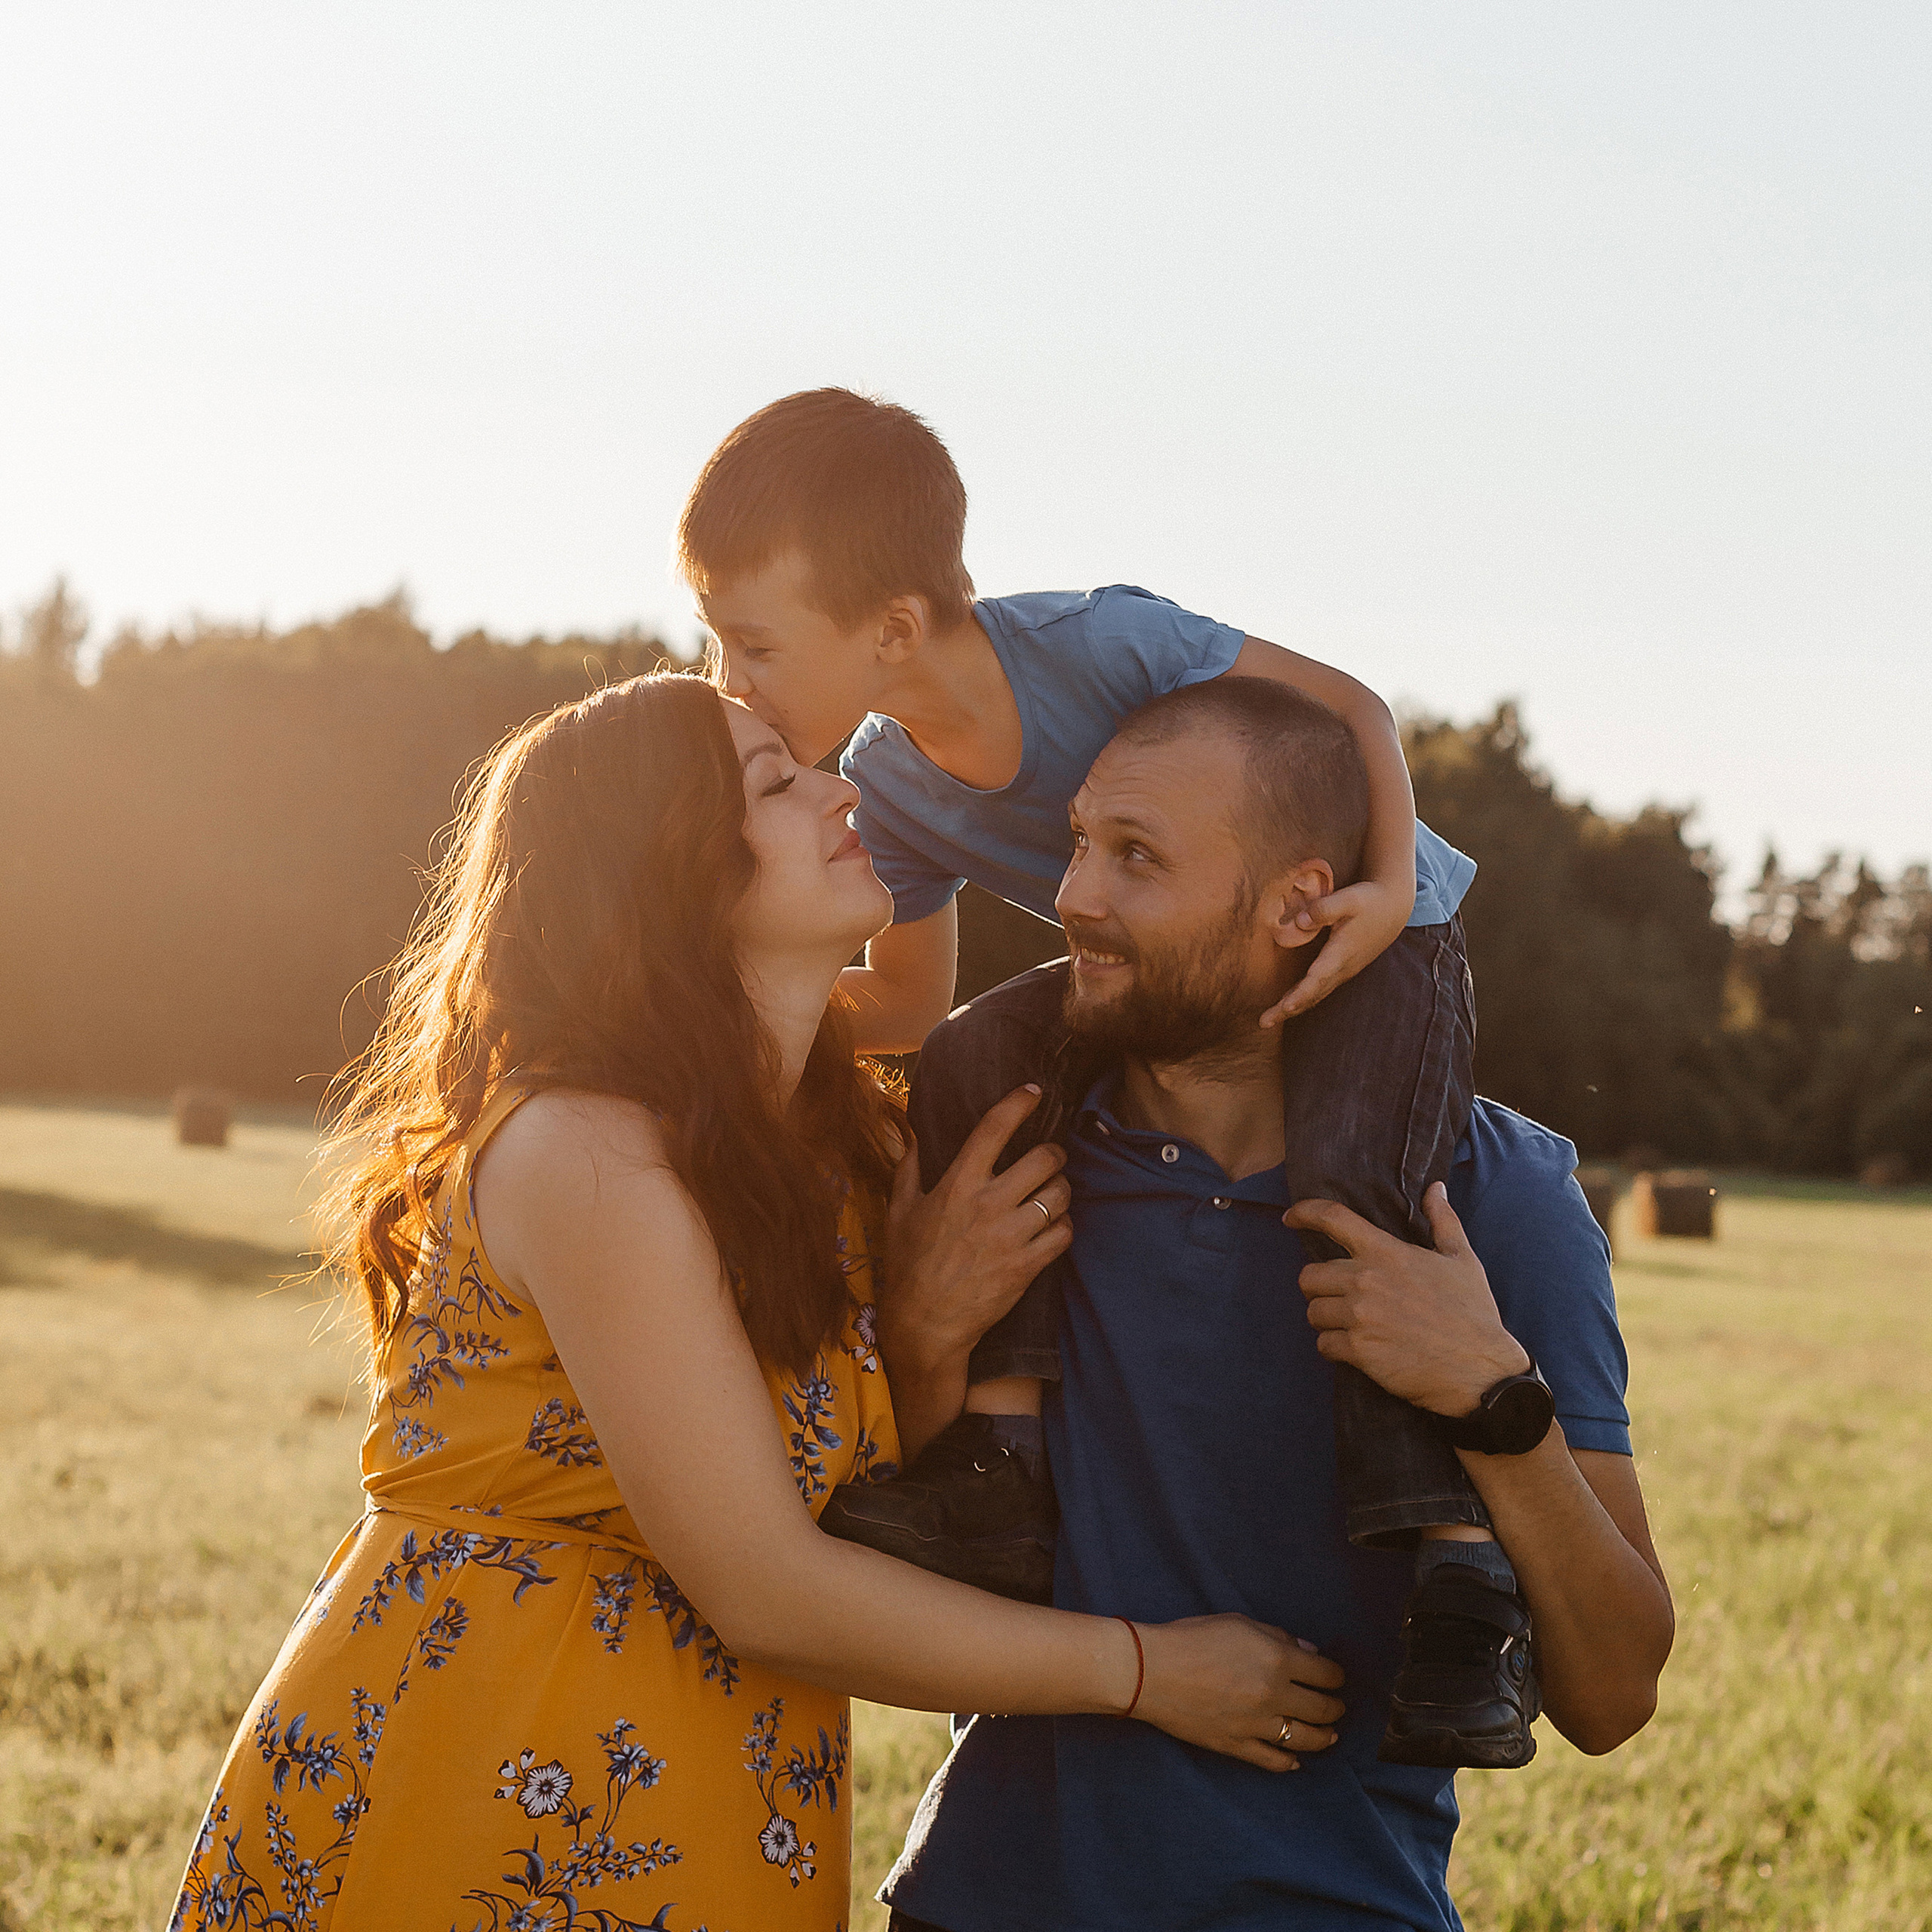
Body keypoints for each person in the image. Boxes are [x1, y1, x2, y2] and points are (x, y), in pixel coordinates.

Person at [167, 674, 1337, 1932]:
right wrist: (1152, 1671)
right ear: (667, 871)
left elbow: (858, 1495)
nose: (842, 790)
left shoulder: (842, 1157)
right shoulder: (587, 1154)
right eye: (777, 783)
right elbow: (767, 1585)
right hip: (482, 1774)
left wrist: (931, 1331)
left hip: (718, 1779)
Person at [680, 388, 1521, 1764]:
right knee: (974, 1062)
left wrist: (1384, 881)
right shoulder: (892, 784)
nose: (733, 683)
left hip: (1372, 943)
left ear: (892, 627)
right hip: (1149, 983)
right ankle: (997, 1469)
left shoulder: (1098, 641)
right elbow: (906, 997)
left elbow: (1352, 704)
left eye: (755, 645)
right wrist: (709, 997)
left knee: (1361, 1192)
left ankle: (1454, 1566)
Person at [876, 677, 1675, 1931]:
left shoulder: (1497, 1197)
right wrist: (921, 1332)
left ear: (1305, 901)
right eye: (1080, 841)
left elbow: (1613, 1691)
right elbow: (925, 1564)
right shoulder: (1002, 1160)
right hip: (978, 1903)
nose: (1074, 895)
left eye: (1137, 856)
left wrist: (1491, 1400)